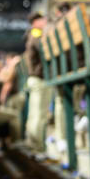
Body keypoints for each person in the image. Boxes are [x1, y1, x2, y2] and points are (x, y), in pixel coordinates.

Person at [23, 12, 52, 157]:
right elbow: (44, 50)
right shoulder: (36, 33)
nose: (46, 21)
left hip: (35, 78)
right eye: (43, 19)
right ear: (36, 21)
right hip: (39, 78)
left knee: (35, 115)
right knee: (39, 116)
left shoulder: (33, 33)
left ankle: (33, 146)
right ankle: (38, 148)